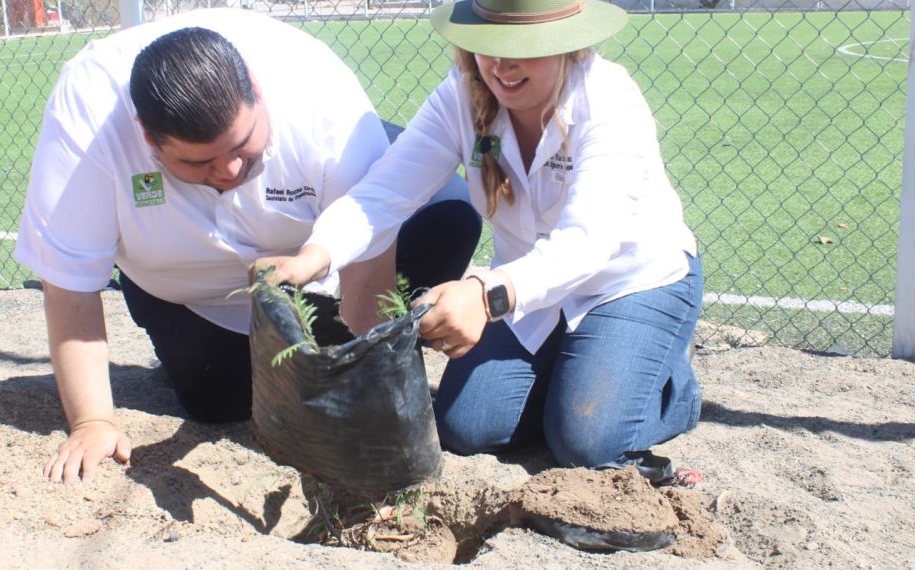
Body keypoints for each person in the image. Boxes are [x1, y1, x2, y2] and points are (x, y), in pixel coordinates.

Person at [14, 8, 481, 484]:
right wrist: (92, 422)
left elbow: (368, 258)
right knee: (217, 404)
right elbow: (69, 284)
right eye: (200, 162)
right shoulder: (87, 114)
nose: (231, 171)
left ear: (256, 91)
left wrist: (373, 394)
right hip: (188, 287)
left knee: (448, 216)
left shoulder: (318, 93)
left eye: (241, 146)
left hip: (323, 244)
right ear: (148, 138)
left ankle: (365, 349)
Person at [257, 0, 703, 472]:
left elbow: (588, 241)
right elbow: (385, 191)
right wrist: (314, 255)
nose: (501, 65)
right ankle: (581, 374)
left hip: (630, 282)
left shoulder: (609, 101)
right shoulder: (461, 95)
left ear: (567, 44)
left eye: (524, 47)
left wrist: (484, 295)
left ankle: (675, 390)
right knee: (467, 428)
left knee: (586, 443)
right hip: (530, 293)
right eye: (489, 44)